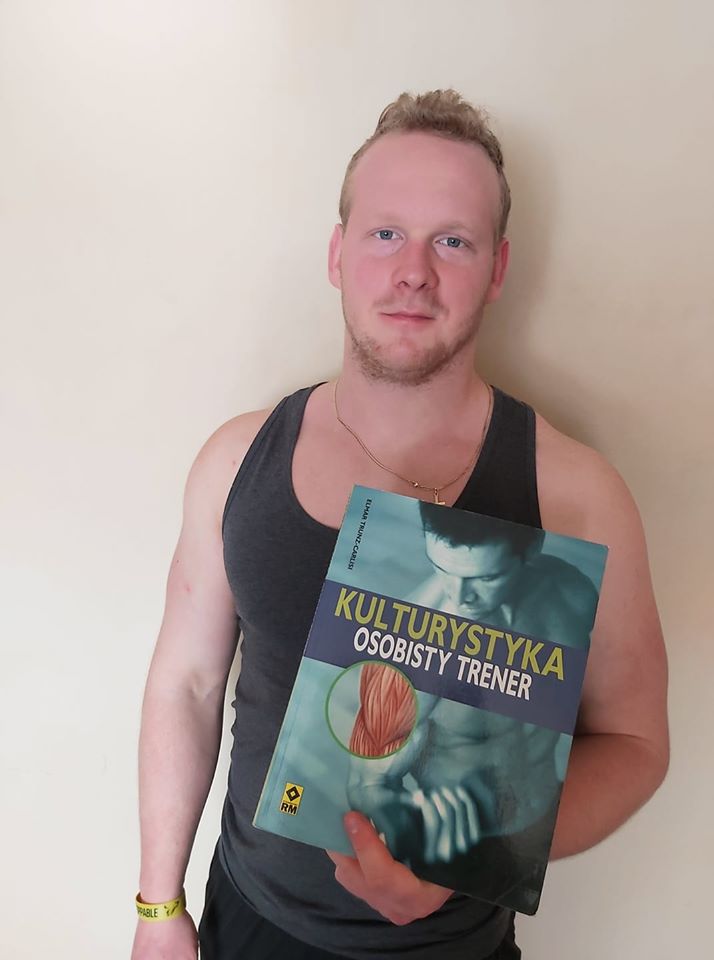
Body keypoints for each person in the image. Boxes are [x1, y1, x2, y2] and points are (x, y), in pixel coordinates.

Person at [131, 90, 669, 960]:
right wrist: (159, 908)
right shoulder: (238, 461)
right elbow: (186, 685)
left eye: (452, 241)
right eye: (386, 233)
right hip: (247, 923)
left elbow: (637, 744)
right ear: (338, 253)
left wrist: (470, 852)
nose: (413, 271)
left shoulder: (578, 495)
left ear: (497, 269)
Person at [344, 503, 598, 913]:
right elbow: (366, 784)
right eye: (441, 568)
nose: (459, 596)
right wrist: (408, 823)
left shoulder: (569, 593)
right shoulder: (408, 653)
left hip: (543, 825)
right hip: (455, 853)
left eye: (486, 577)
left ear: (530, 550)